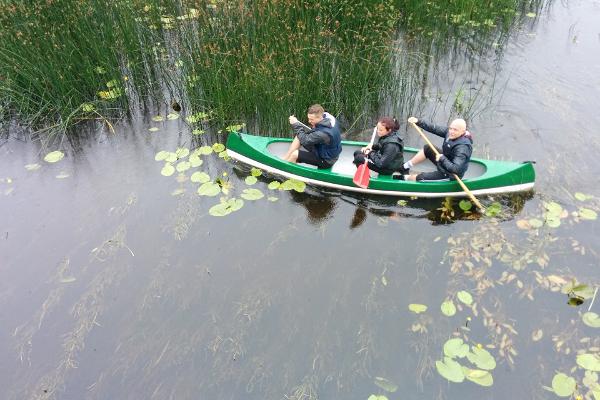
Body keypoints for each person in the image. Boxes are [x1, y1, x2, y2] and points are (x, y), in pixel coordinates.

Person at [403, 116, 473, 181]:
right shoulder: (450, 133)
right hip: (444, 161)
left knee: (421, 177)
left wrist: (442, 158)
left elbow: (456, 169)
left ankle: (403, 178)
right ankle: (405, 167)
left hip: (451, 174)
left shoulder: (462, 148)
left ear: (463, 132)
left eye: (455, 130)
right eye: (450, 128)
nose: (451, 132)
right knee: (428, 148)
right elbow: (434, 128)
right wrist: (418, 122)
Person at [283, 104, 342, 169]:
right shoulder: (328, 117)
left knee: (295, 154)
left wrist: (295, 124)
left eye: (311, 119)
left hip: (326, 160)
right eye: (309, 119)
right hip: (323, 149)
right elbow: (304, 136)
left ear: (319, 117)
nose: (309, 121)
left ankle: (285, 170)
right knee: (298, 137)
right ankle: (285, 160)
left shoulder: (323, 134)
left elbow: (305, 141)